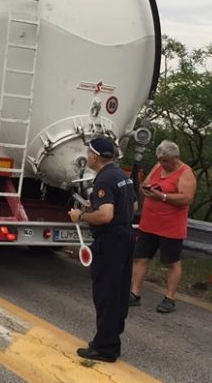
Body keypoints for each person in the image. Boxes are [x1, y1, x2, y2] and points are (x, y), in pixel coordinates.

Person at [69, 136, 137, 363]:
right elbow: (133, 205)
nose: (87, 156)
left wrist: (82, 215)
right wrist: (95, 206)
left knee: (105, 293)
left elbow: (106, 215)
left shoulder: (104, 179)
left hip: (110, 242)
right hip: (126, 237)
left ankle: (105, 348)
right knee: (118, 292)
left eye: (89, 152)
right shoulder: (121, 176)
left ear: (95, 157)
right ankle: (110, 339)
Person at [130, 140, 196, 313]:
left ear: (176, 158)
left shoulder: (185, 173)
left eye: (166, 161)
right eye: (160, 160)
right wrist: (145, 189)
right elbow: (146, 182)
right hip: (149, 222)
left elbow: (186, 198)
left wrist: (163, 197)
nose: (163, 164)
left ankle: (169, 298)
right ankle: (135, 293)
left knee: (172, 262)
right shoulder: (159, 166)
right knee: (140, 257)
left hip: (171, 226)